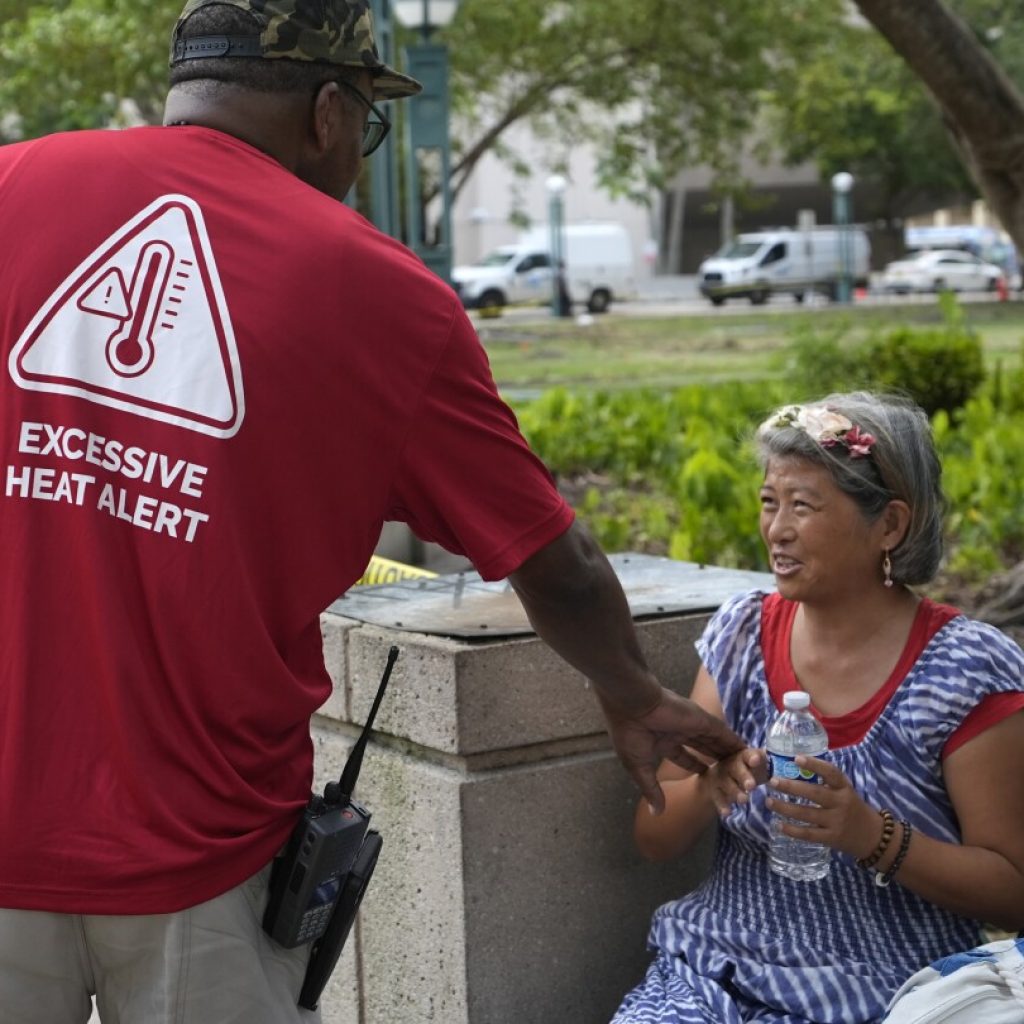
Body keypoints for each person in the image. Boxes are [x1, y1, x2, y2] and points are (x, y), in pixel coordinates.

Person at [0, 2, 743, 1022]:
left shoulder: (11, 187)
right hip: (202, 851)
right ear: (328, 112)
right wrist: (628, 690)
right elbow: (550, 554)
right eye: (366, 124)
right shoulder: (382, 295)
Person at [611, 392, 1024, 1024]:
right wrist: (710, 787)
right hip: (711, 975)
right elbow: (653, 834)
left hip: (884, 993)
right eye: (770, 502)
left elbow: (1013, 891)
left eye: (804, 506)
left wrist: (870, 835)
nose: (777, 529)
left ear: (889, 525)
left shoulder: (962, 670)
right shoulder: (743, 634)